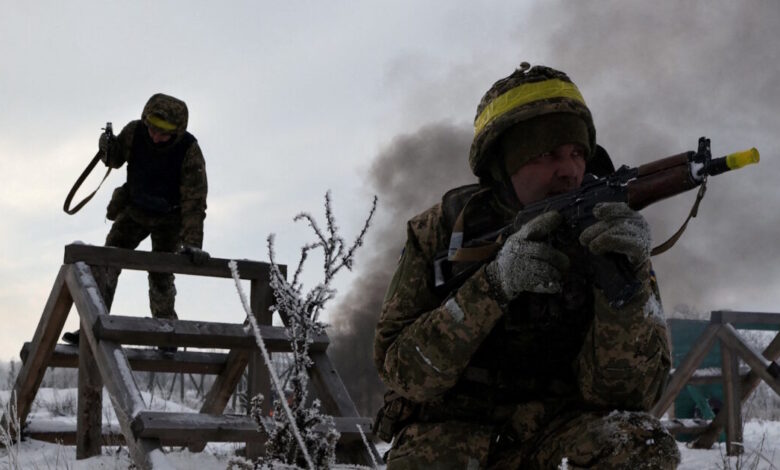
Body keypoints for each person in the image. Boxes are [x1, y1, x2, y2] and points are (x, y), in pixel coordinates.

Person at [373, 63, 680, 469]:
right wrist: (494, 286)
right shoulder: (441, 232)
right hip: (450, 437)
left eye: (577, 154)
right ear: (503, 162)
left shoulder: (608, 230)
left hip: (556, 435)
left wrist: (627, 283)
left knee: (641, 445)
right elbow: (403, 373)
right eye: (548, 154)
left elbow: (628, 398)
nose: (569, 170)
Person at [63, 93, 209, 350]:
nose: (155, 136)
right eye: (152, 129)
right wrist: (107, 145)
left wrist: (193, 242)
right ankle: (93, 322)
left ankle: (166, 332)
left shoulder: (189, 151)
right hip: (135, 209)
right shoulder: (134, 132)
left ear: (177, 131)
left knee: (161, 272)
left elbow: (194, 201)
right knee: (107, 261)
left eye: (163, 133)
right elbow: (114, 159)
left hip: (170, 218)